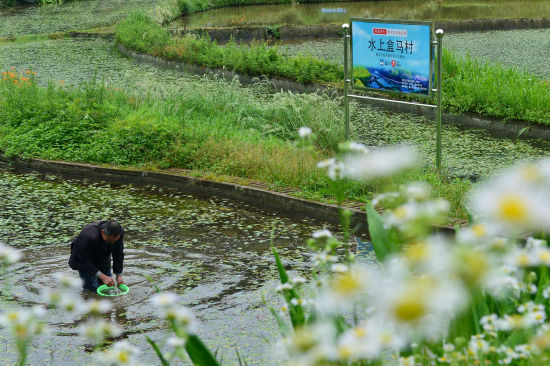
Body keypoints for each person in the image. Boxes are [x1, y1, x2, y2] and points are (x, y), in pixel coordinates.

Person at [69, 220, 125, 292]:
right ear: (102, 232)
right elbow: (84, 260)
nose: (112, 243)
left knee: (109, 285)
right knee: (91, 289)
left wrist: (119, 274)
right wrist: (102, 276)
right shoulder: (88, 236)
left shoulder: (119, 231)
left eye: (114, 241)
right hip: (84, 259)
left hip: (103, 255)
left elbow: (118, 253)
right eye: (110, 241)